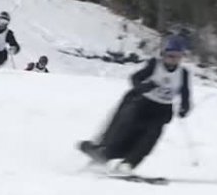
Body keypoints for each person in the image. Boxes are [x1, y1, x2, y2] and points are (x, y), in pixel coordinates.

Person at [78, 36, 192, 175]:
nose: (173, 60)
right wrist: (144, 87)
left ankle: (129, 163)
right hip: (143, 104)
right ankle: (103, 156)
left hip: (162, 109)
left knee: (150, 138)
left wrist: (184, 107)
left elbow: (185, 92)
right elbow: (135, 78)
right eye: (171, 56)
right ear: (164, 55)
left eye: (177, 57)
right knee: (126, 131)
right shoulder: (154, 65)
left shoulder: (183, 73)